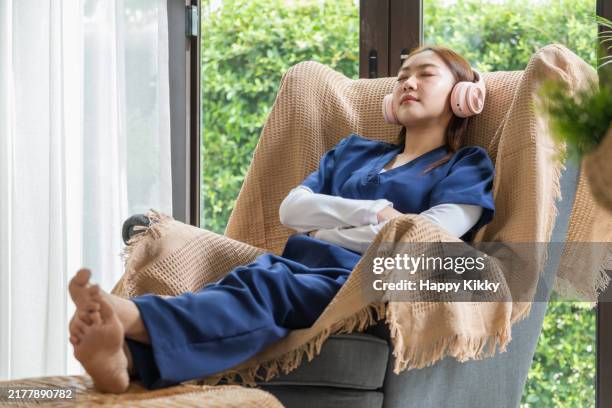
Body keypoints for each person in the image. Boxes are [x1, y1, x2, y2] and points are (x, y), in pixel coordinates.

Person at [67, 45, 496, 393]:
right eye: (403, 77)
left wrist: (327, 229)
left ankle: (131, 318)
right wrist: (372, 212)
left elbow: (427, 235)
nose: (408, 83)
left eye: (425, 75)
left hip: (361, 286)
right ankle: (127, 361)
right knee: (249, 285)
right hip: (299, 263)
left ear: (462, 95)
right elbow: (292, 209)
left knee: (266, 286)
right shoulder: (353, 151)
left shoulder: (465, 164)